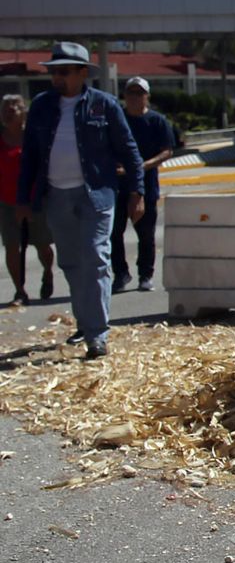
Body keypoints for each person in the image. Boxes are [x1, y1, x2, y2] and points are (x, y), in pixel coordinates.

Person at [15, 41, 144, 359]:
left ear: (82, 73)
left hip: (96, 195)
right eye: (53, 71)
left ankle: (97, 335)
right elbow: (30, 155)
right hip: (56, 196)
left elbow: (129, 150)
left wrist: (136, 192)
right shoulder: (42, 106)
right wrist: (23, 198)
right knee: (71, 263)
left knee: (96, 258)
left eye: (63, 71)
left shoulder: (104, 105)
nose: (56, 77)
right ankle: (86, 325)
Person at [111, 77, 173, 293]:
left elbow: (167, 150)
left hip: (147, 186)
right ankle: (120, 273)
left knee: (146, 234)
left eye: (139, 93)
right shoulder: (118, 120)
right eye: (130, 93)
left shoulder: (157, 121)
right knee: (114, 232)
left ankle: (145, 274)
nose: (134, 97)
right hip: (118, 186)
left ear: (147, 96)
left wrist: (141, 167)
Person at [0, 94, 54, 305]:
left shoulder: (34, 136)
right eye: (5, 107)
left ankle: (48, 272)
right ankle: (20, 291)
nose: (9, 110)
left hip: (34, 200)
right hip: (6, 201)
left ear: (24, 112)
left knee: (42, 245)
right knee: (12, 246)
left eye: (14, 106)